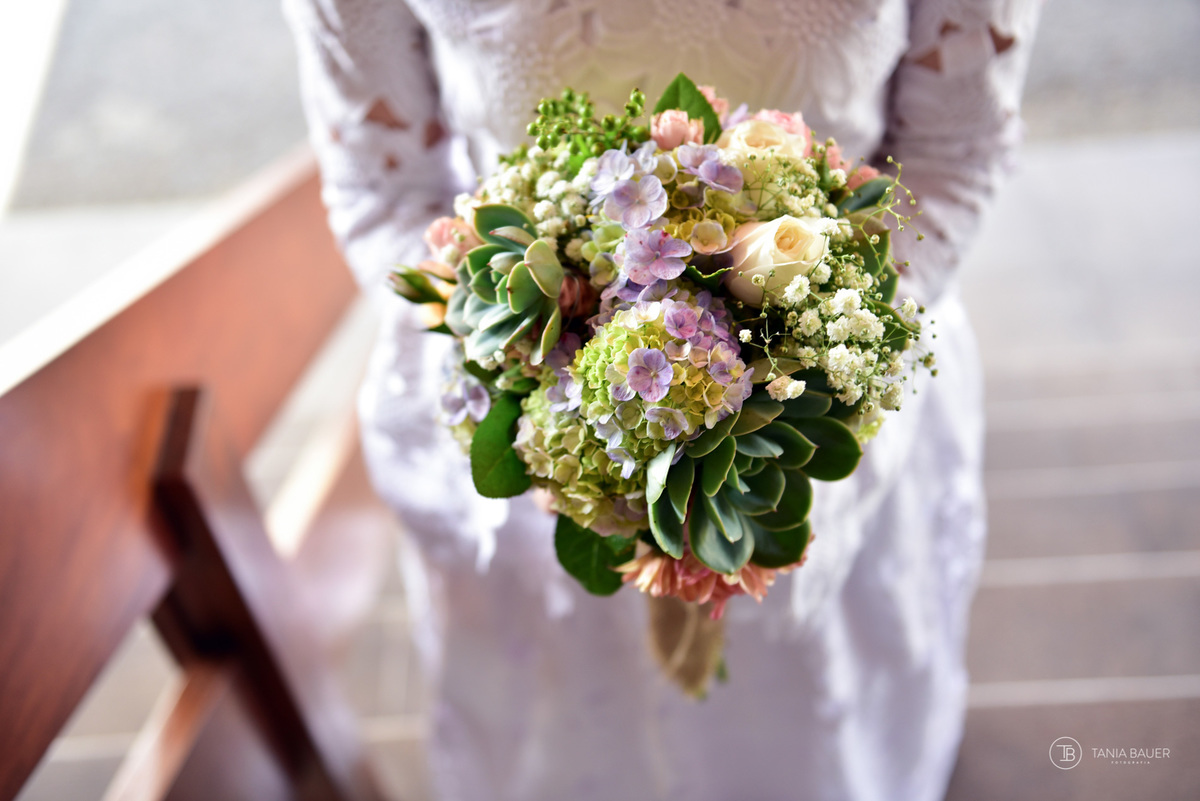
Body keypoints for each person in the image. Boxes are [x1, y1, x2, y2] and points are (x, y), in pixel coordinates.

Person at [283, 1, 1042, 798]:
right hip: (530, 419)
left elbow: (955, 148)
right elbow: (379, 183)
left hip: (829, 395)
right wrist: (541, 378)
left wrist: (819, 363)